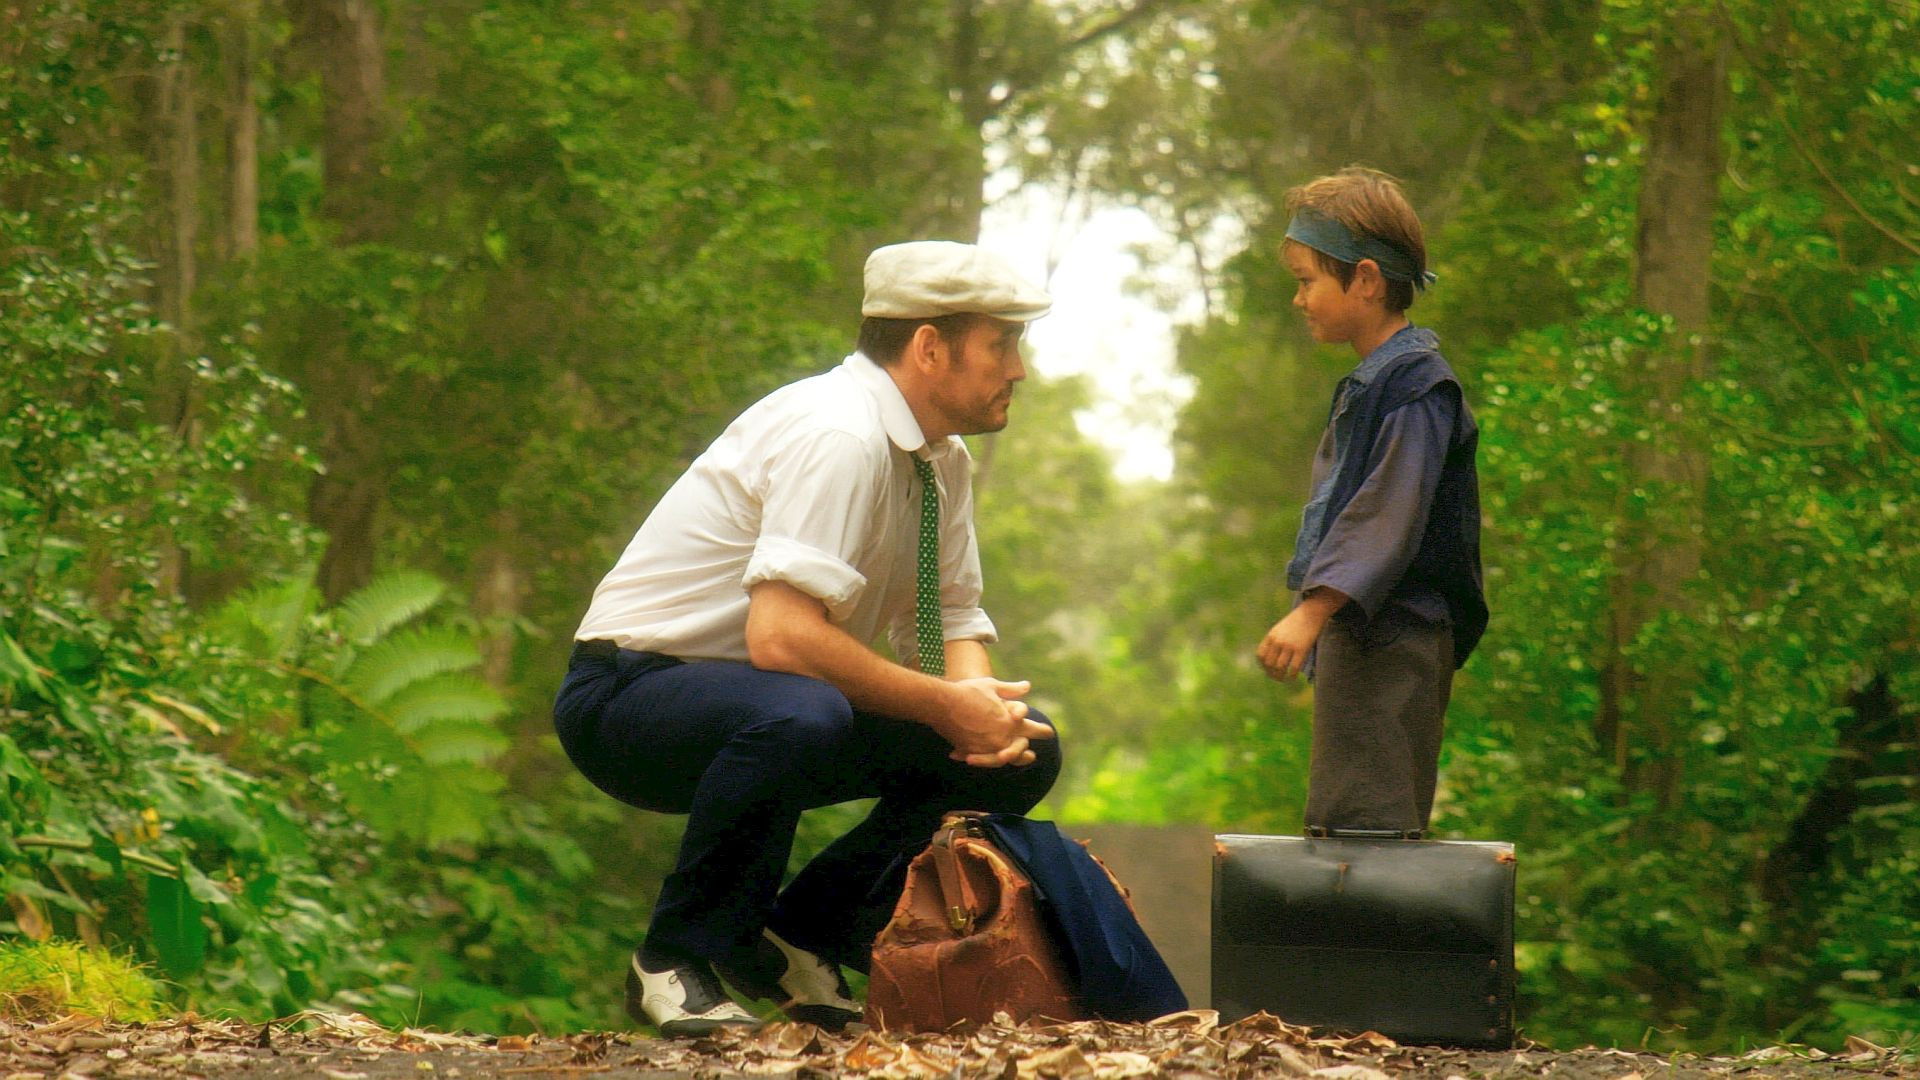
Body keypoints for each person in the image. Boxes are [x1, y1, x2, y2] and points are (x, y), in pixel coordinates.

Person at [553, 241, 1061, 1037]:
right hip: (628, 698)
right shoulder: (839, 433)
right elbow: (783, 638)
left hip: (769, 706)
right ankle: (676, 956)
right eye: (1001, 345)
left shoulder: (941, 461)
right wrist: (946, 706)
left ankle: (803, 935)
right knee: (802, 709)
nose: (1018, 370)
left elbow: (949, 618)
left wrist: (978, 715)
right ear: (930, 347)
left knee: (1024, 748)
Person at [1255, 166, 1489, 838]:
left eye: (1307, 281)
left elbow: (1390, 511)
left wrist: (1313, 610)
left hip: (1396, 641)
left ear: (1365, 280)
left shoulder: (1418, 388)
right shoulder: (1378, 382)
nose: (1299, 299)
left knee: (1369, 832)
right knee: (1345, 823)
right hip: (1365, 637)